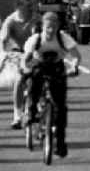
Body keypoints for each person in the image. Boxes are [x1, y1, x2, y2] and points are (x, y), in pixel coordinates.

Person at [22, 12, 81, 158]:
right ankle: (31, 112)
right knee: (34, 84)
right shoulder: (36, 39)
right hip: (39, 66)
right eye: (48, 27)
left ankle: (60, 143)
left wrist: (74, 67)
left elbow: (76, 56)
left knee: (60, 108)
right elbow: (26, 58)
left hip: (56, 68)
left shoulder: (63, 38)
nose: (51, 30)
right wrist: (25, 68)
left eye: (54, 27)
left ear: (58, 27)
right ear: (43, 26)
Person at [0, 0, 41, 129]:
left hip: (34, 54)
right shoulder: (11, 20)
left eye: (32, 5)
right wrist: (4, 47)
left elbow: (40, 34)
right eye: (27, 5)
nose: (31, 8)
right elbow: (4, 38)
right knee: (19, 80)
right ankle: (17, 116)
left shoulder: (36, 18)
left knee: (41, 79)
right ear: (18, 7)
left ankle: (40, 107)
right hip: (17, 54)